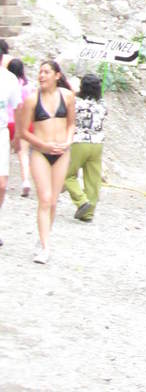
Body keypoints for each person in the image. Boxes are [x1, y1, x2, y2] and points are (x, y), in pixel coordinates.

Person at [18, 59, 76, 264]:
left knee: (53, 201)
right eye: (40, 72)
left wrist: (68, 142)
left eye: (46, 72)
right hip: (40, 152)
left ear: (57, 76)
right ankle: (45, 247)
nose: (41, 75)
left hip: (62, 151)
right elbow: (23, 131)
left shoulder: (68, 96)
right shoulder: (32, 100)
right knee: (44, 198)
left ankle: (44, 237)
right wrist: (42, 146)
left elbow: (71, 124)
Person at [62, 71, 107, 222]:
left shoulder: (75, 102)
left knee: (67, 175)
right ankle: (89, 213)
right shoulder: (102, 105)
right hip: (98, 144)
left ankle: (81, 201)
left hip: (79, 141)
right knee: (93, 179)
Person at [0, 56, 22, 245]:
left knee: (1, 185)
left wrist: (18, 136)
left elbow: (17, 107)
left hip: (1, 132)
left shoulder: (9, 80)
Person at [6, 59, 31, 197]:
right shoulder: (27, 86)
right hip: (21, 123)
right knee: (23, 154)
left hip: (6, 122)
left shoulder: (5, 83)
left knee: (4, 153)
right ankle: (26, 181)